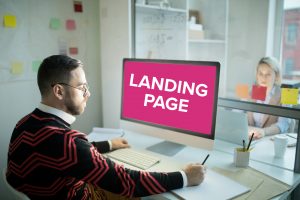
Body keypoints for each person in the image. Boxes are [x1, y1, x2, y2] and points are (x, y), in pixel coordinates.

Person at [6, 55, 206, 199]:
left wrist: (109, 144)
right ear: (58, 91)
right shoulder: (68, 142)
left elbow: (66, 156)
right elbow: (127, 182)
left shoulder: (25, 123)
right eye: (82, 87)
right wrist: (185, 177)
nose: (88, 94)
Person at [248, 56, 290, 140]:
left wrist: (264, 132)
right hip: (251, 138)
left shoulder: (286, 95)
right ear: (257, 75)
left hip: (270, 139)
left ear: (276, 76)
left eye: (268, 74)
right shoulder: (252, 91)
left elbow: (283, 124)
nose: (263, 78)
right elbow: (238, 113)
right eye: (261, 73)